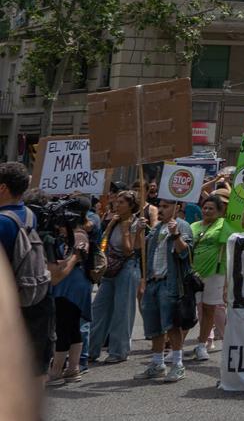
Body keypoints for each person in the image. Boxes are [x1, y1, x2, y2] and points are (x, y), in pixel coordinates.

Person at [0, 163, 52, 387]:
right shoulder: (29, 214)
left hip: (9, 304)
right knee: (34, 368)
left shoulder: (3, 222)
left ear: (2, 188)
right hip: (34, 296)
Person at [137, 195, 193, 382]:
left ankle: (177, 364)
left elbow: (185, 253)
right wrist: (138, 230)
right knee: (154, 326)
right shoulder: (157, 228)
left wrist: (176, 234)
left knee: (171, 325)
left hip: (170, 283)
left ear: (176, 208)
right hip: (154, 281)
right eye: (159, 206)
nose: (160, 210)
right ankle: (157, 363)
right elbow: (142, 250)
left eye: (166, 206)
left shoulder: (182, 226)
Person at [89, 189, 145, 365]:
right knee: (99, 308)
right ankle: (91, 349)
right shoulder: (113, 220)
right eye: (117, 202)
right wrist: (111, 225)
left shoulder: (136, 224)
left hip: (128, 267)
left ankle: (118, 351)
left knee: (122, 310)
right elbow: (103, 244)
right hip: (111, 267)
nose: (117, 205)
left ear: (131, 206)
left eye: (122, 202)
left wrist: (126, 229)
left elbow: (129, 250)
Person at [46, 197, 92, 386]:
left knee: (63, 327)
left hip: (69, 286)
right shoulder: (78, 234)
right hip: (74, 285)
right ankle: (73, 368)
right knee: (72, 327)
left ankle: (56, 371)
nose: (59, 228)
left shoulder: (78, 236)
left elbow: (67, 262)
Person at [188, 193, 233, 361]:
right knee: (188, 310)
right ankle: (176, 348)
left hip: (215, 273)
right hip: (193, 275)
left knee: (209, 310)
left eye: (211, 209)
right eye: (205, 208)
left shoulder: (224, 226)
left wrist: (228, 283)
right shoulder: (193, 226)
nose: (207, 211)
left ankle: (202, 345)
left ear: (220, 212)